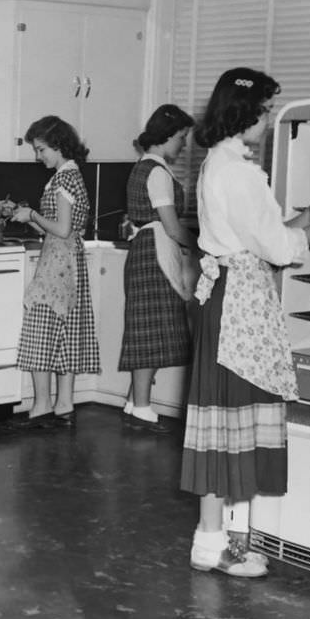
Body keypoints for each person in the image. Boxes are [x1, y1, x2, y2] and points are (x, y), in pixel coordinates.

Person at [181, 68, 310, 577]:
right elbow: (279, 250)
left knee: (220, 419)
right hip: (237, 307)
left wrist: (307, 216)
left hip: (226, 295)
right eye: (266, 110)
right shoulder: (240, 173)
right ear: (244, 111)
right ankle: (224, 546)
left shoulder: (218, 164)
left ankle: (212, 539)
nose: (268, 121)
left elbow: (255, 237)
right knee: (236, 417)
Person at [10, 116, 101, 428]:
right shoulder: (68, 176)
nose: (39, 157)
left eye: (42, 149)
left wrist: (33, 213)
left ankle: (41, 406)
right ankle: (64, 405)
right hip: (68, 262)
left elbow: (61, 229)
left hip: (58, 264)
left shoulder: (63, 180)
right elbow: (58, 228)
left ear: (59, 145)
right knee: (66, 334)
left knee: (40, 333)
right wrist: (28, 218)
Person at [118, 104, 197, 433]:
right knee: (149, 331)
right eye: (181, 137)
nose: (183, 144)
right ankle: (141, 407)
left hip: (145, 251)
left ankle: (134, 402)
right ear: (166, 137)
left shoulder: (144, 167)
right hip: (155, 254)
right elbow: (171, 225)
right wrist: (199, 245)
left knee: (148, 328)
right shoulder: (157, 173)